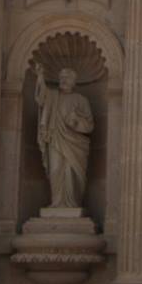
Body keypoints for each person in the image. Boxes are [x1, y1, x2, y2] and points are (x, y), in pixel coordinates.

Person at [37, 67, 94, 210]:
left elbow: (89, 125)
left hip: (75, 143)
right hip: (56, 139)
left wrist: (76, 122)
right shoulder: (53, 96)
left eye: (67, 77)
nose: (63, 80)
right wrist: (40, 77)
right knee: (55, 169)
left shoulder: (81, 100)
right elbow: (41, 97)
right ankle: (57, 202)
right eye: (61, 77)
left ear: (74, 81)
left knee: (71, 171)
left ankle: (72, 203)